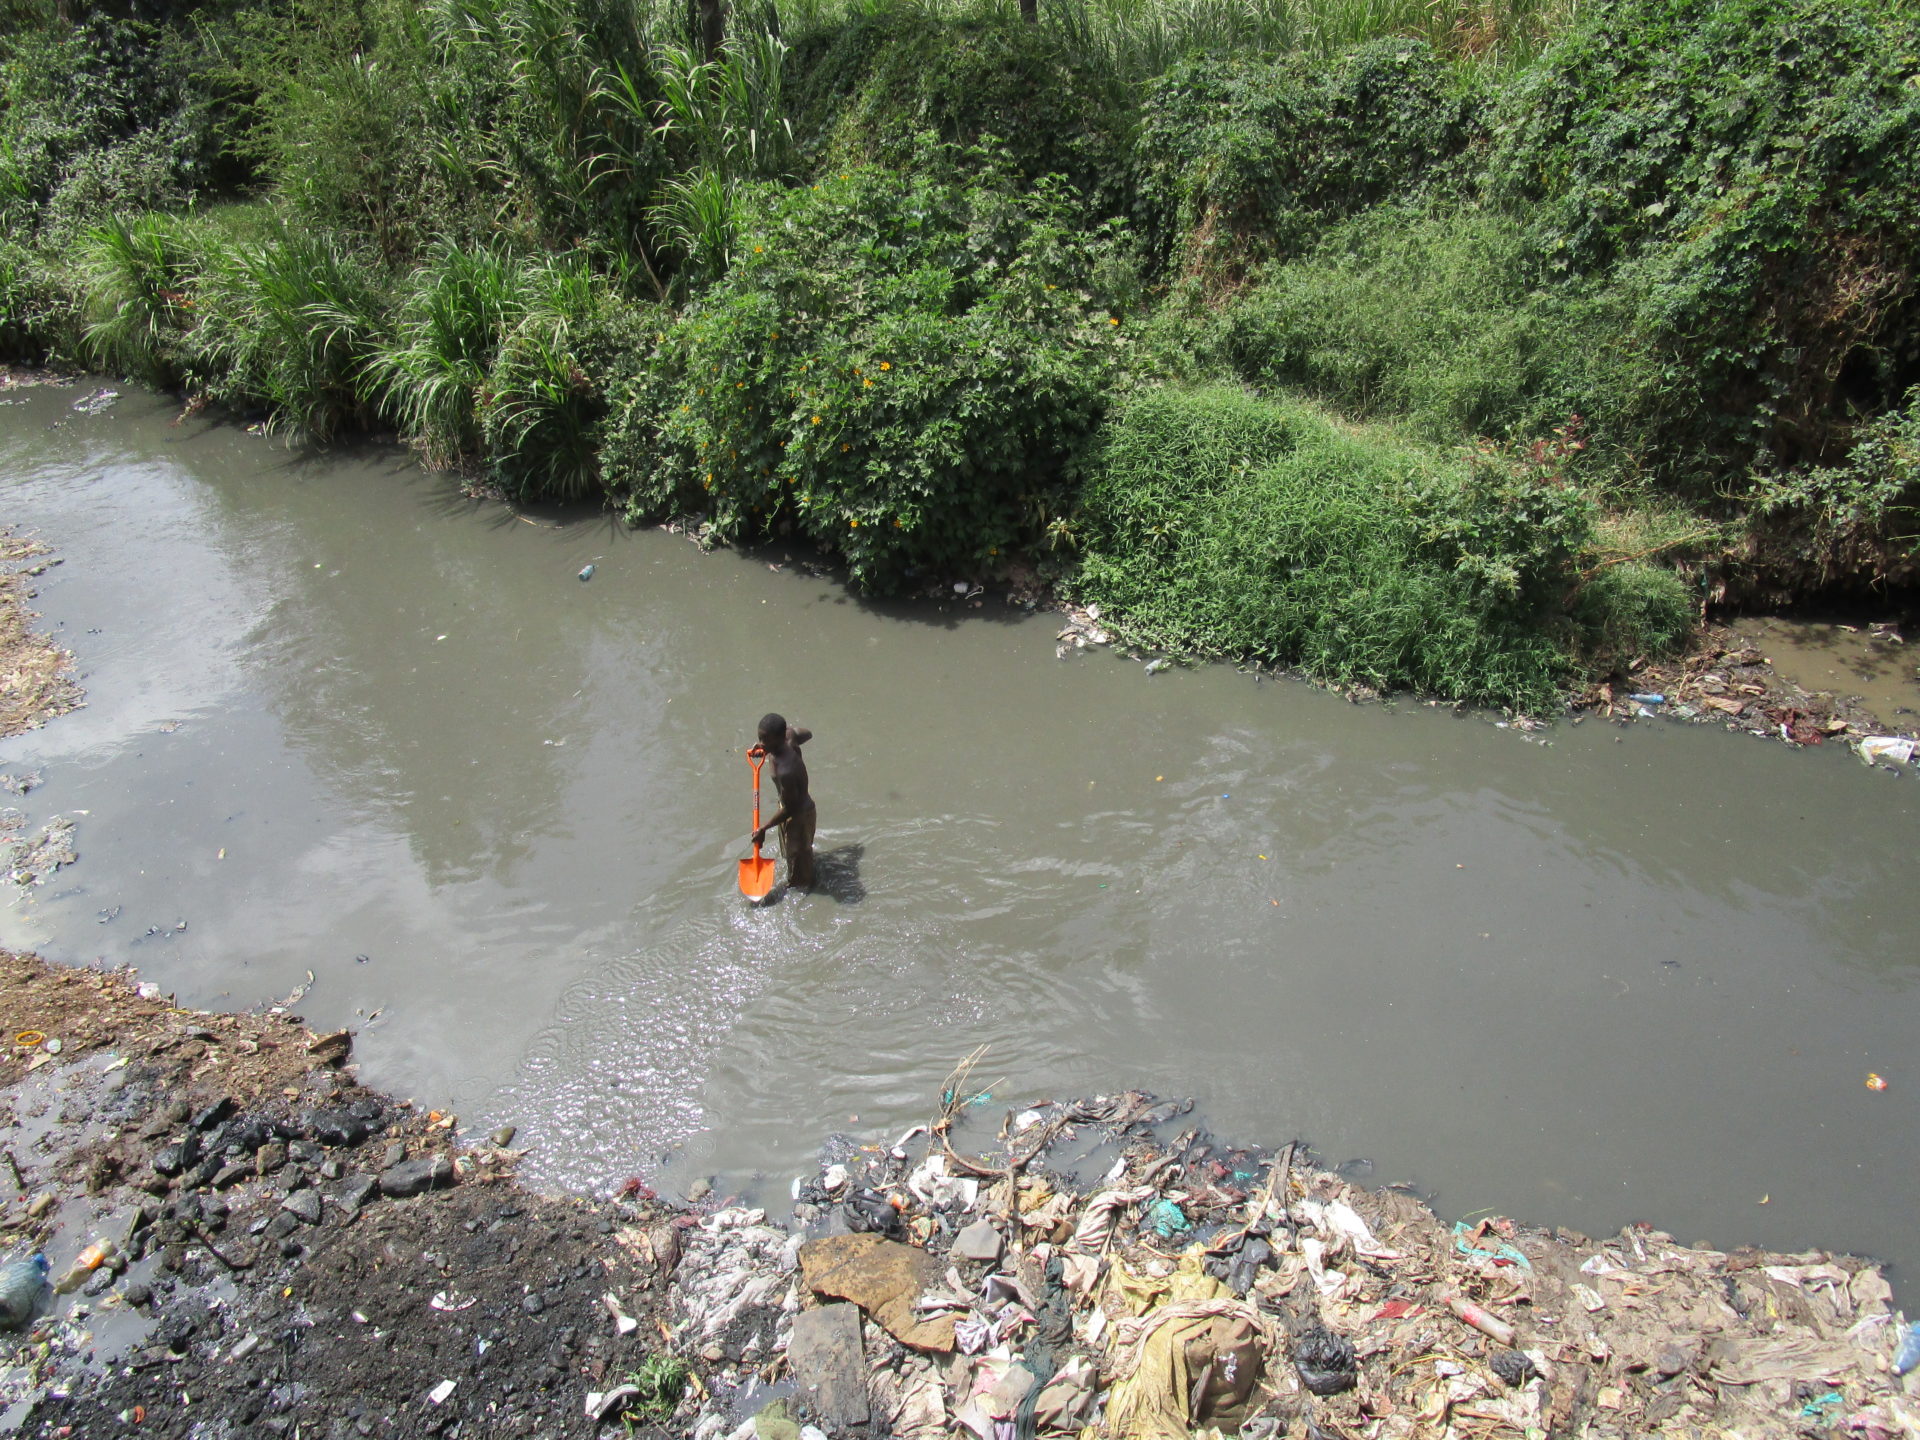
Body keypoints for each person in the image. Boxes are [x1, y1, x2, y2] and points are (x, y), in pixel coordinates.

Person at [750, 712, 815, 890]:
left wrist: (763, 828)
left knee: (799, 880)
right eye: (760, 738)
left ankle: (805, 892)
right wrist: (767, 747)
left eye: (765, 740)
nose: (761, 743)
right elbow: (807, 733)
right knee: (791, 856)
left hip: (798, 816)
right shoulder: (789, 736)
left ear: (779, 738)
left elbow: (790, 809)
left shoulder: (786, 770)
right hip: (788, 805)